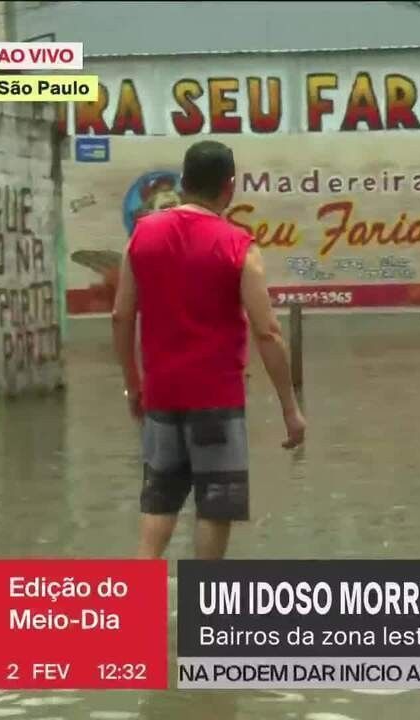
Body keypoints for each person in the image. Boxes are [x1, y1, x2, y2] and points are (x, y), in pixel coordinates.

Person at [112, 140, 307, 561]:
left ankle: (133, 612)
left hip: (161, 396)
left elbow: (121, 316)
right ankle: (202, 615)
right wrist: (290, 407)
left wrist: (134, 386)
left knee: (158, 505)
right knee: (214, 508)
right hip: (216, 401)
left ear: (183, 183)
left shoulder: (142, 236)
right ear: (230, 187)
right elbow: (268, 331)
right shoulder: (238, 246)